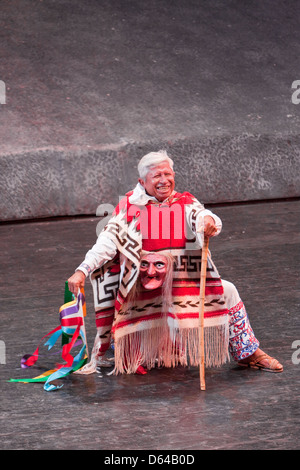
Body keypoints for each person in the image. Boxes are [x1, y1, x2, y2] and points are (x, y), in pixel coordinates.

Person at [68, 150, 283, 375]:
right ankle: (138, 348)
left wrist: (209, 221)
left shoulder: (185, 202)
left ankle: (248, 354)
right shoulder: (128, 209)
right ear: (142, 181)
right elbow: (106, 242)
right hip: (140, 288)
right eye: (157, 176)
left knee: (227, 290)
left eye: (167, 174)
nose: (164, 180)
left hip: (181, 282)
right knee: (146, 358)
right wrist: (82, 270)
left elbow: (200, 214)